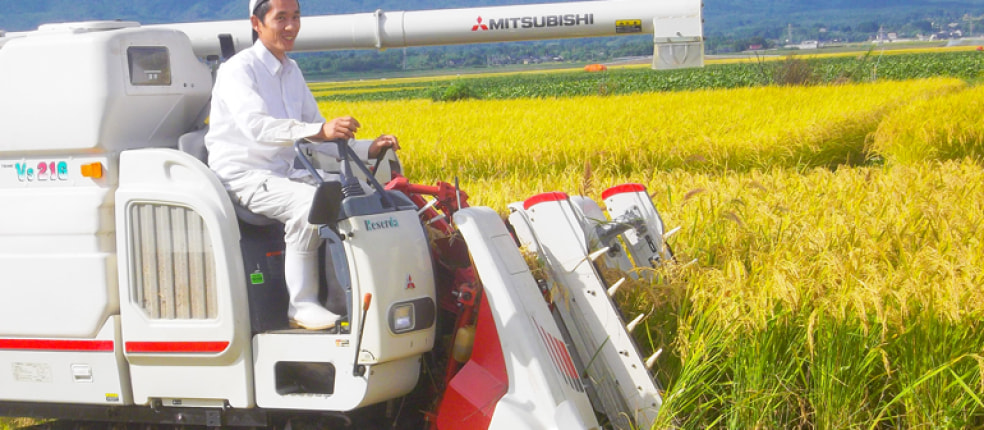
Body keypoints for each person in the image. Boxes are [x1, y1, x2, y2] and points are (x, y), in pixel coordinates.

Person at [206, 0, 399, 330]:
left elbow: (317, 134)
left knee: (361, 194)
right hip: (243, 175)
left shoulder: (291, 71)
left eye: (295, 17)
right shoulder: (238, 70)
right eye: (280, 18)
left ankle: (362, 290)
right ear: (257, 23)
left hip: (282, 172)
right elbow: (259, 127)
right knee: (310, 204)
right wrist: (318, 131)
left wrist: (369, 148)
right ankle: (301, 304)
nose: (291, 26)